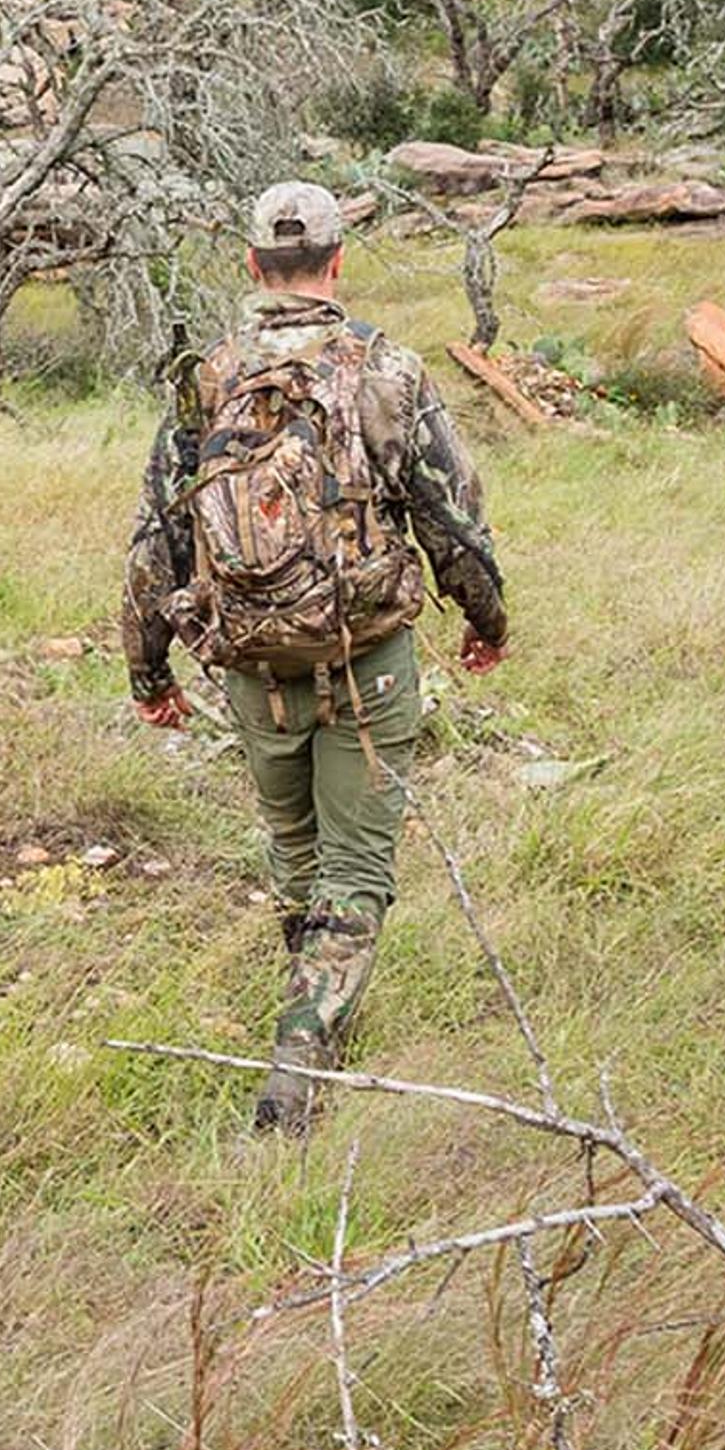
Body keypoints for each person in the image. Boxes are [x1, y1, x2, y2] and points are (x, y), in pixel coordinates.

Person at [123, 181, 509, 1137]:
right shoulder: (388, 371)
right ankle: (300, 1058)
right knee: (360, 864)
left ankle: (314, 993)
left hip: (250, 662)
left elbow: (156, 539)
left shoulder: (204, 377)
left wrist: (150, 670)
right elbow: (449, 517)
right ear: (338, 263)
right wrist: (486, 619)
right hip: (366, 655)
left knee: (296, 843)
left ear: (255, 266)